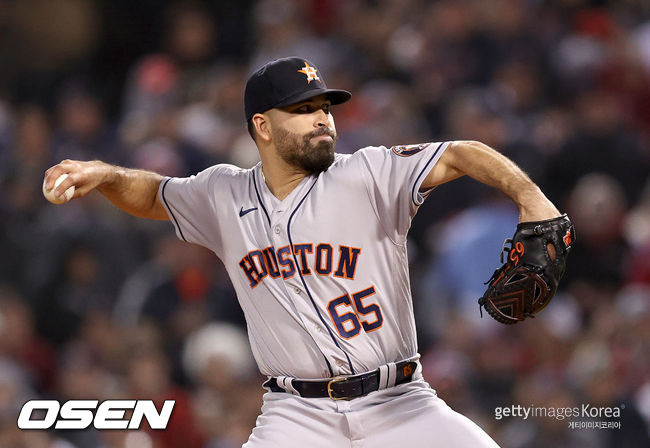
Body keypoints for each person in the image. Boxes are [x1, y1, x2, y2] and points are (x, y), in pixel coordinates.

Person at [44, 57, 561, 447]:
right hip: (295, 416)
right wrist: (106, 175)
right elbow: (156, 194)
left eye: (324, 107)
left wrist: (531, 198)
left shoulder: (369, 173)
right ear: (262, 127)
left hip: (401, 402)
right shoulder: (223, 193)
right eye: (302, 109)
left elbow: (460, 154)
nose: (322, 119)